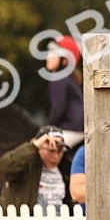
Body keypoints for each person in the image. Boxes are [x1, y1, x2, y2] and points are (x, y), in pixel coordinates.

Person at [69, 101, 110, 205]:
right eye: (109, 125)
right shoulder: (85, 153)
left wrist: (98, 192)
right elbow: (77, 193)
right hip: (89, 215)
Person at [46, 36, 85, 181]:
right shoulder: (66, 78)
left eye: (53, 54)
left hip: (72, 129)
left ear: (65, 60)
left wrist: (45, 128)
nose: (48, 58)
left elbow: (58, 109)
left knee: (43, 148)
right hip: (74, 127)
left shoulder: (58, 78)